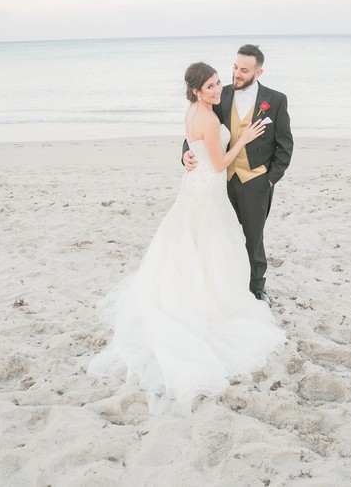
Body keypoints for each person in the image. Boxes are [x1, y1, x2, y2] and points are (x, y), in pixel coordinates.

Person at [87, 62, 286, 415]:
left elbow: (210, 141)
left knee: (195, 241)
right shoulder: (209, 116)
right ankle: (218, 297)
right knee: (212, 241)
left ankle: (240, 286)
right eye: (210, 86)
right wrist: (240, 138)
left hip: (203, 186)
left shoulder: (199, 108)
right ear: (196, 90)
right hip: (209, 185)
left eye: (219, 82)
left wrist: (268, 176)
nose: (218, 89)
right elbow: (220, 160)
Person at [182, 44, 293, 307]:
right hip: (221, 182)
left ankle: (257, 288)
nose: (236, 74)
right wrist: (185, 154)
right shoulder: (221, 95)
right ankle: (230, 285)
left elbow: (285, 145)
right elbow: (197, 131)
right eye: (234, 67)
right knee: (225, 236)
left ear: (259, 71)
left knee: (254, 237)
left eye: (244, 70)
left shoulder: (275, 100)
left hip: (256, 181)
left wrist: (270, 178)